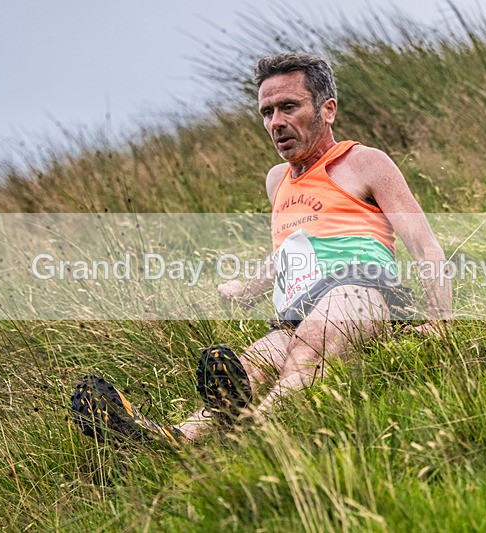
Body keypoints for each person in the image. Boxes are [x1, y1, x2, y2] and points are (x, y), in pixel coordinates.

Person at [71, 52, 451, 445]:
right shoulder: (277, 180)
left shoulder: (364, 162)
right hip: (296, 311)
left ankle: (251, 439)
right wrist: (245, 289)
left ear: (328, 110)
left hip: (359, 292)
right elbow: (291, 250)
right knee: (249, 370)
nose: (276, 123)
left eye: (289, 107)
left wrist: (441, 322)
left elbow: (423, 244)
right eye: (267, 112)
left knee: (309, 350)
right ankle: (171, 440)